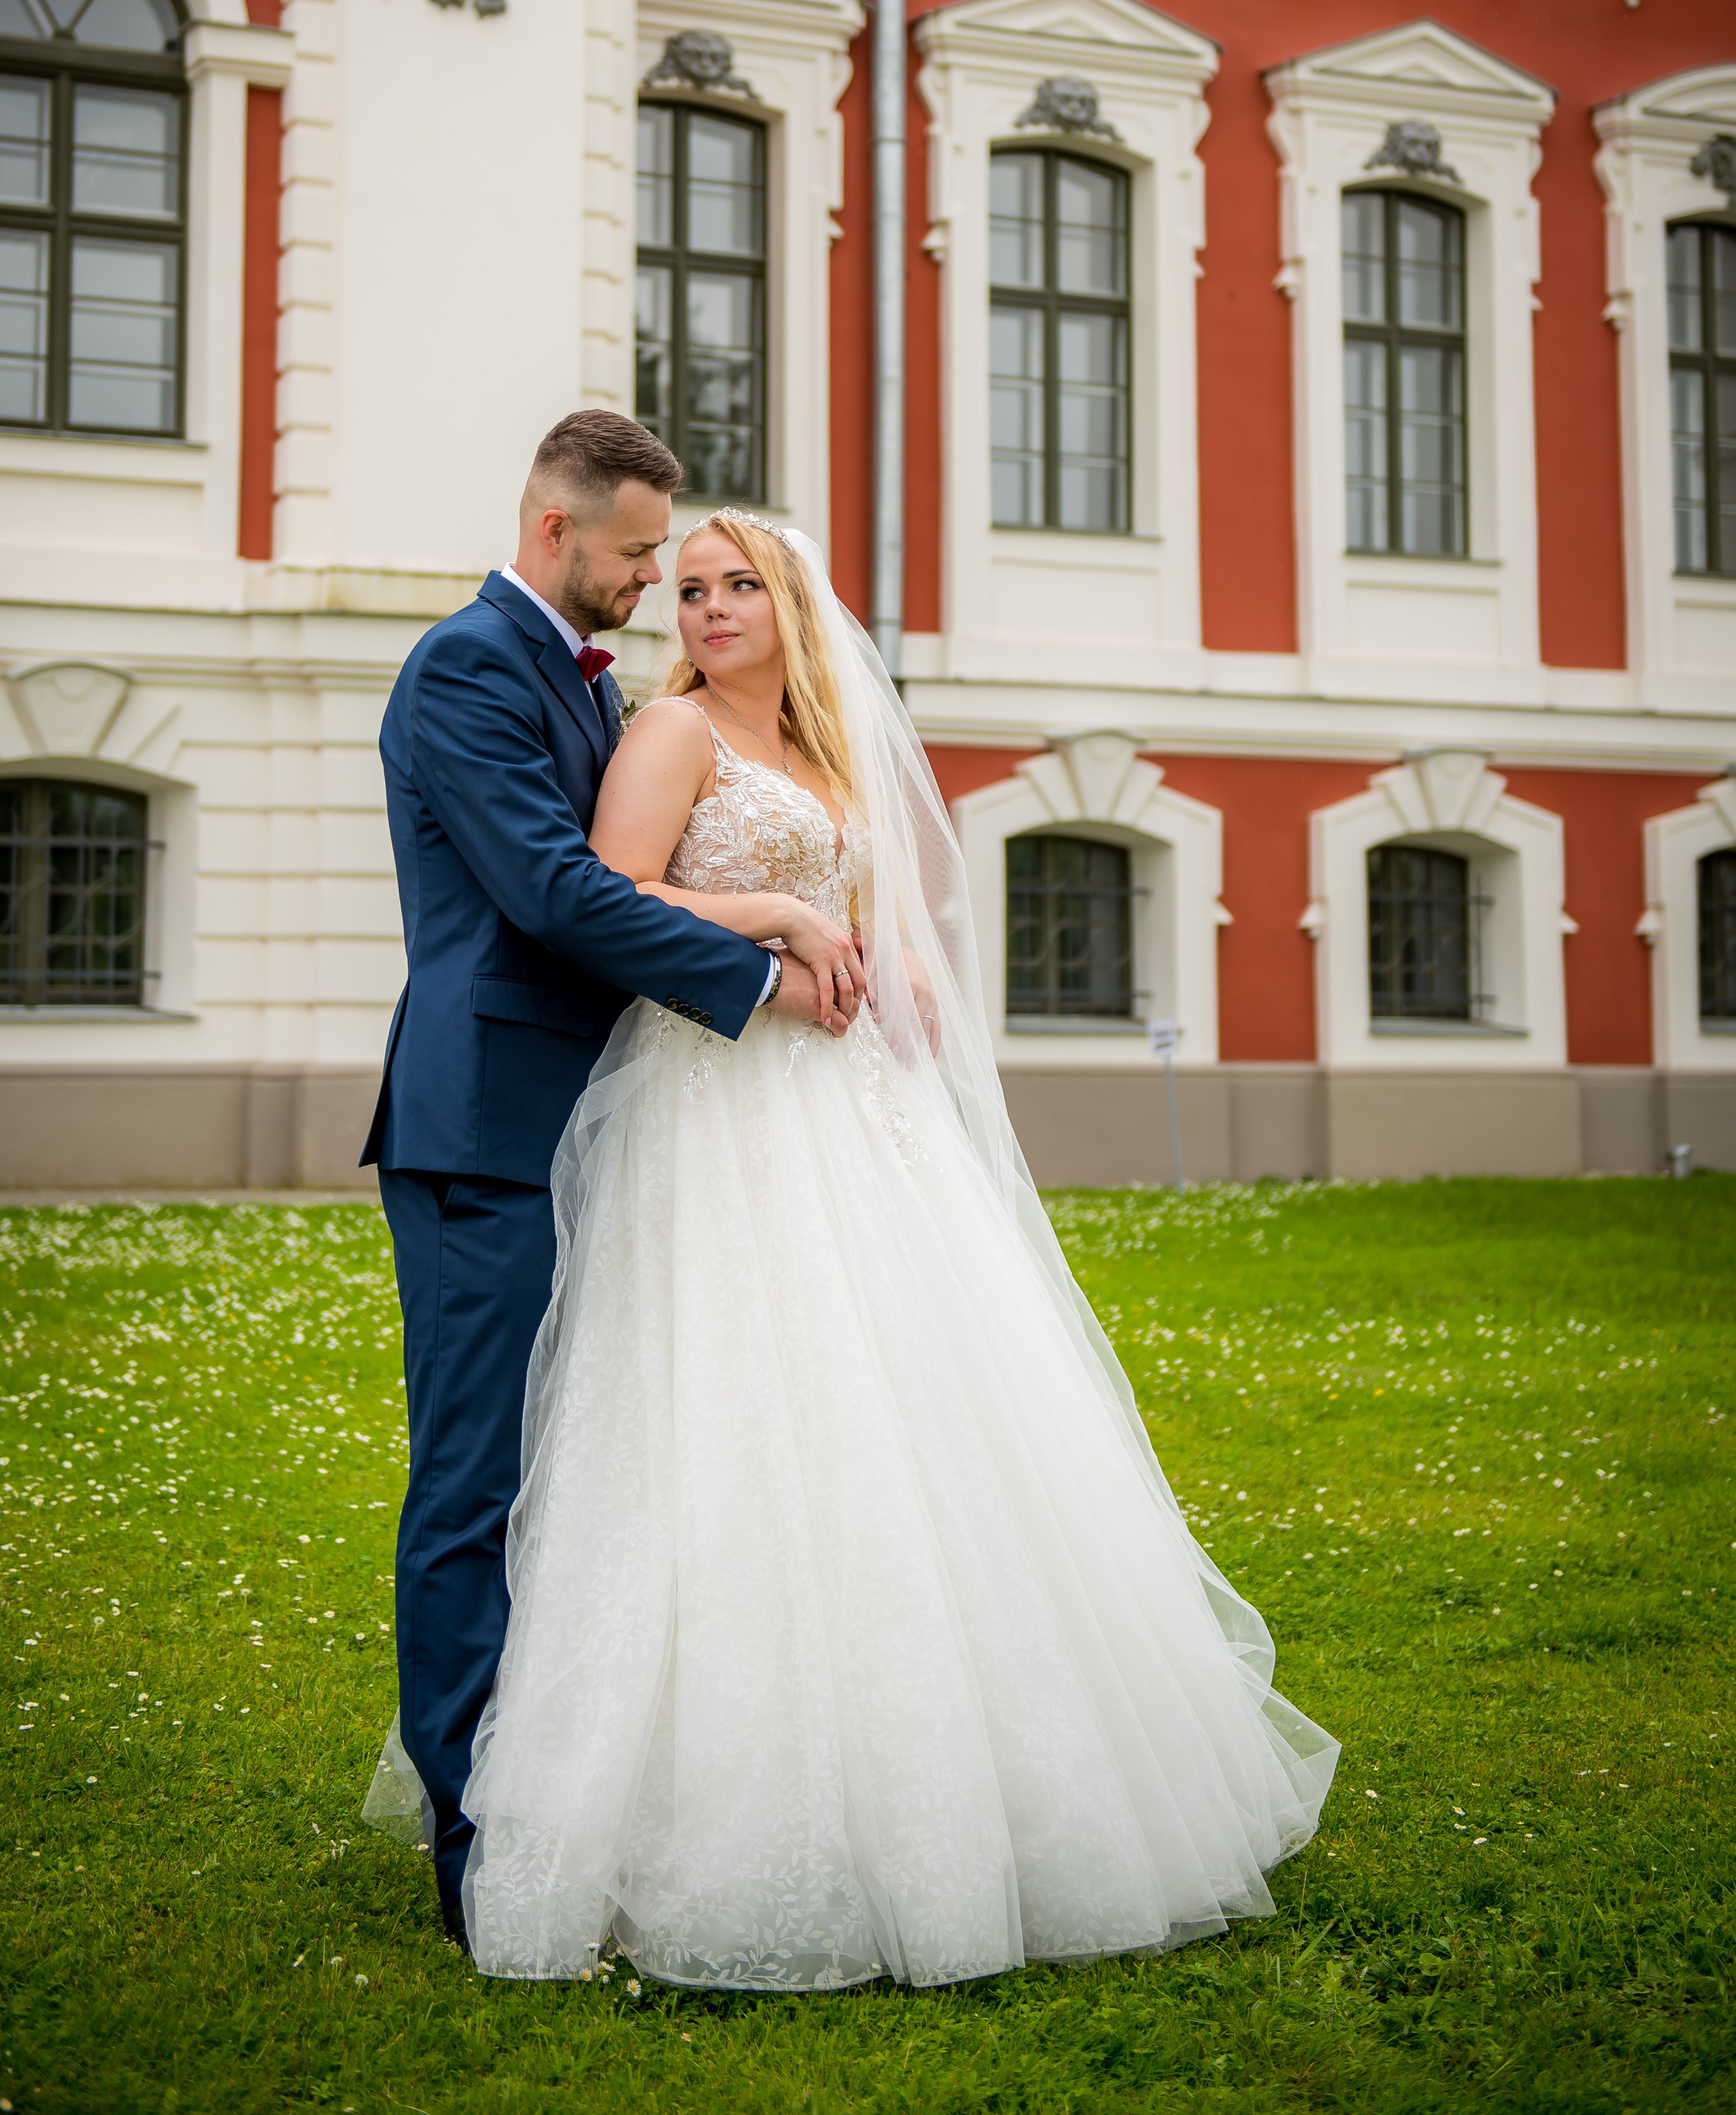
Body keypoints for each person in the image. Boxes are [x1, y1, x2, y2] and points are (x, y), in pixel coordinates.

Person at [450, 508, 1339, 1989]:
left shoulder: (832, 746)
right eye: (690, 588)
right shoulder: (668, 735)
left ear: (794, 603)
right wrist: (775, 912)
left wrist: (898, 973)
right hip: (719, 1109)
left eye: (741, 584)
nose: (715, 606)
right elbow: (607, 899)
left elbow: (887, 907)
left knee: (932, 1414)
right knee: (744, 1419)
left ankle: (988, 1775)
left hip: (858, 1111)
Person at [359, 416, 859, 1946]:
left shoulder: (584, 680)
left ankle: (584, 1787)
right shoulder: (465, 666)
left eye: (679, 559)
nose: (658, 580)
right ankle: (476, 1846)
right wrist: (760, 951)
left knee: (587, 1472)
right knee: (474, 1482)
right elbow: (558, 888)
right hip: (485, 1127)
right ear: (555, 526)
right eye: (642, 553)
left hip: (600, 1122)